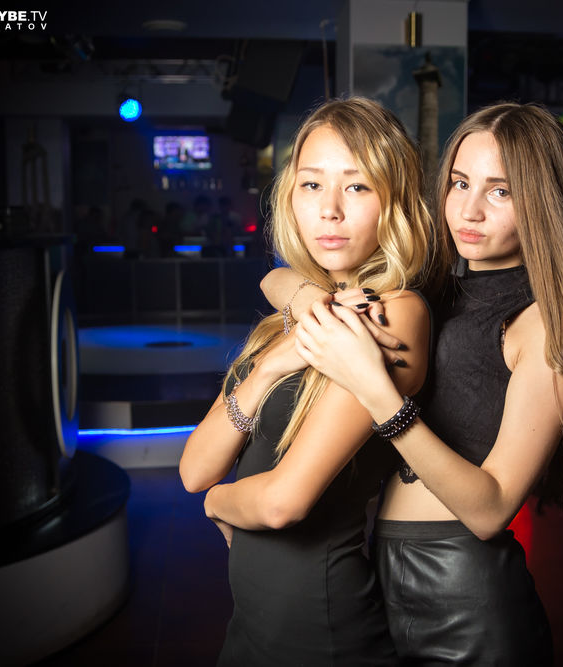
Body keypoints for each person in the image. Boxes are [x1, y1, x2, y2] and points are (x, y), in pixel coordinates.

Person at [268, 102, 563, 665]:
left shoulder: (549, 321)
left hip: (467, 595)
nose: (470, 209)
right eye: (460, 183)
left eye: (500, 191)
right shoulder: (433, 287)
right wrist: (309, 298)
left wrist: (377, 391)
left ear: (540, 201)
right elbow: (275, 277)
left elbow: (491, 509)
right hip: (381, 573)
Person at [178, 97, 433, 665]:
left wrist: (219, 504)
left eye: (358, 186)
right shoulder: (292, 315)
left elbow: (280, 504)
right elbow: (194, 469)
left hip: (321, 631)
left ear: (394, 203)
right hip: (250, 625)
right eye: (312, 184)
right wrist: (271, 365)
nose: (330, 210)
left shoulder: (392, 314)